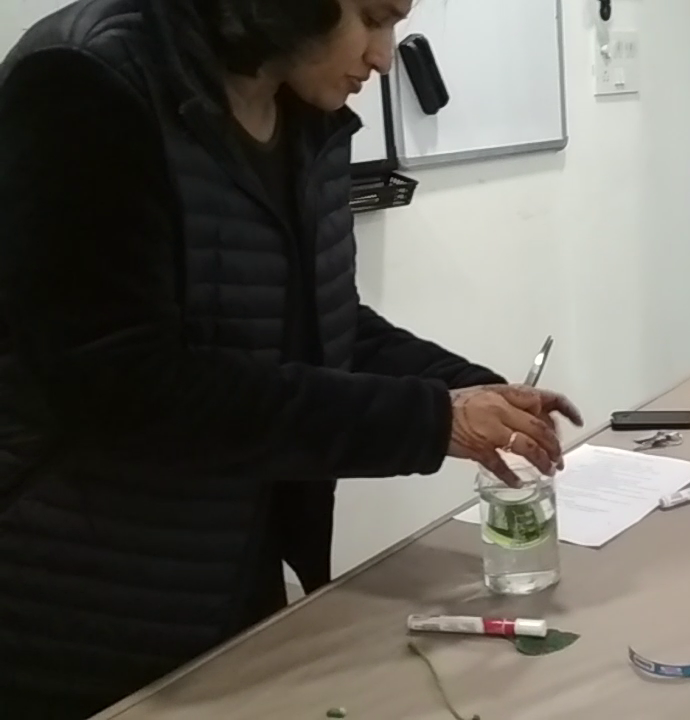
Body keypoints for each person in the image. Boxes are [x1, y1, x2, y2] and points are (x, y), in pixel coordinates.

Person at [0, 0, 582, 715]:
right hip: (78, 599)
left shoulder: (303, 108)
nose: (383, 56)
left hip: (228, 568)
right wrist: (432, 420)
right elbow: (127, 385)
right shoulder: (83, 81)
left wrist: (469, 390)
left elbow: (324, 325)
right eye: (372, 17)